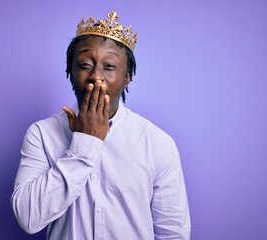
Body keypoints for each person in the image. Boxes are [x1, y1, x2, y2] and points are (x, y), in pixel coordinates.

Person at [11, 11, 191, 239]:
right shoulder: (41, 134)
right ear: (70, 71)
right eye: (85, 64)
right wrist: (85, 144)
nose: (96, 76)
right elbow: (28, 218)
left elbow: (173, 234)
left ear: (127, 77)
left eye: (109, 66)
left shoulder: (158, 143)